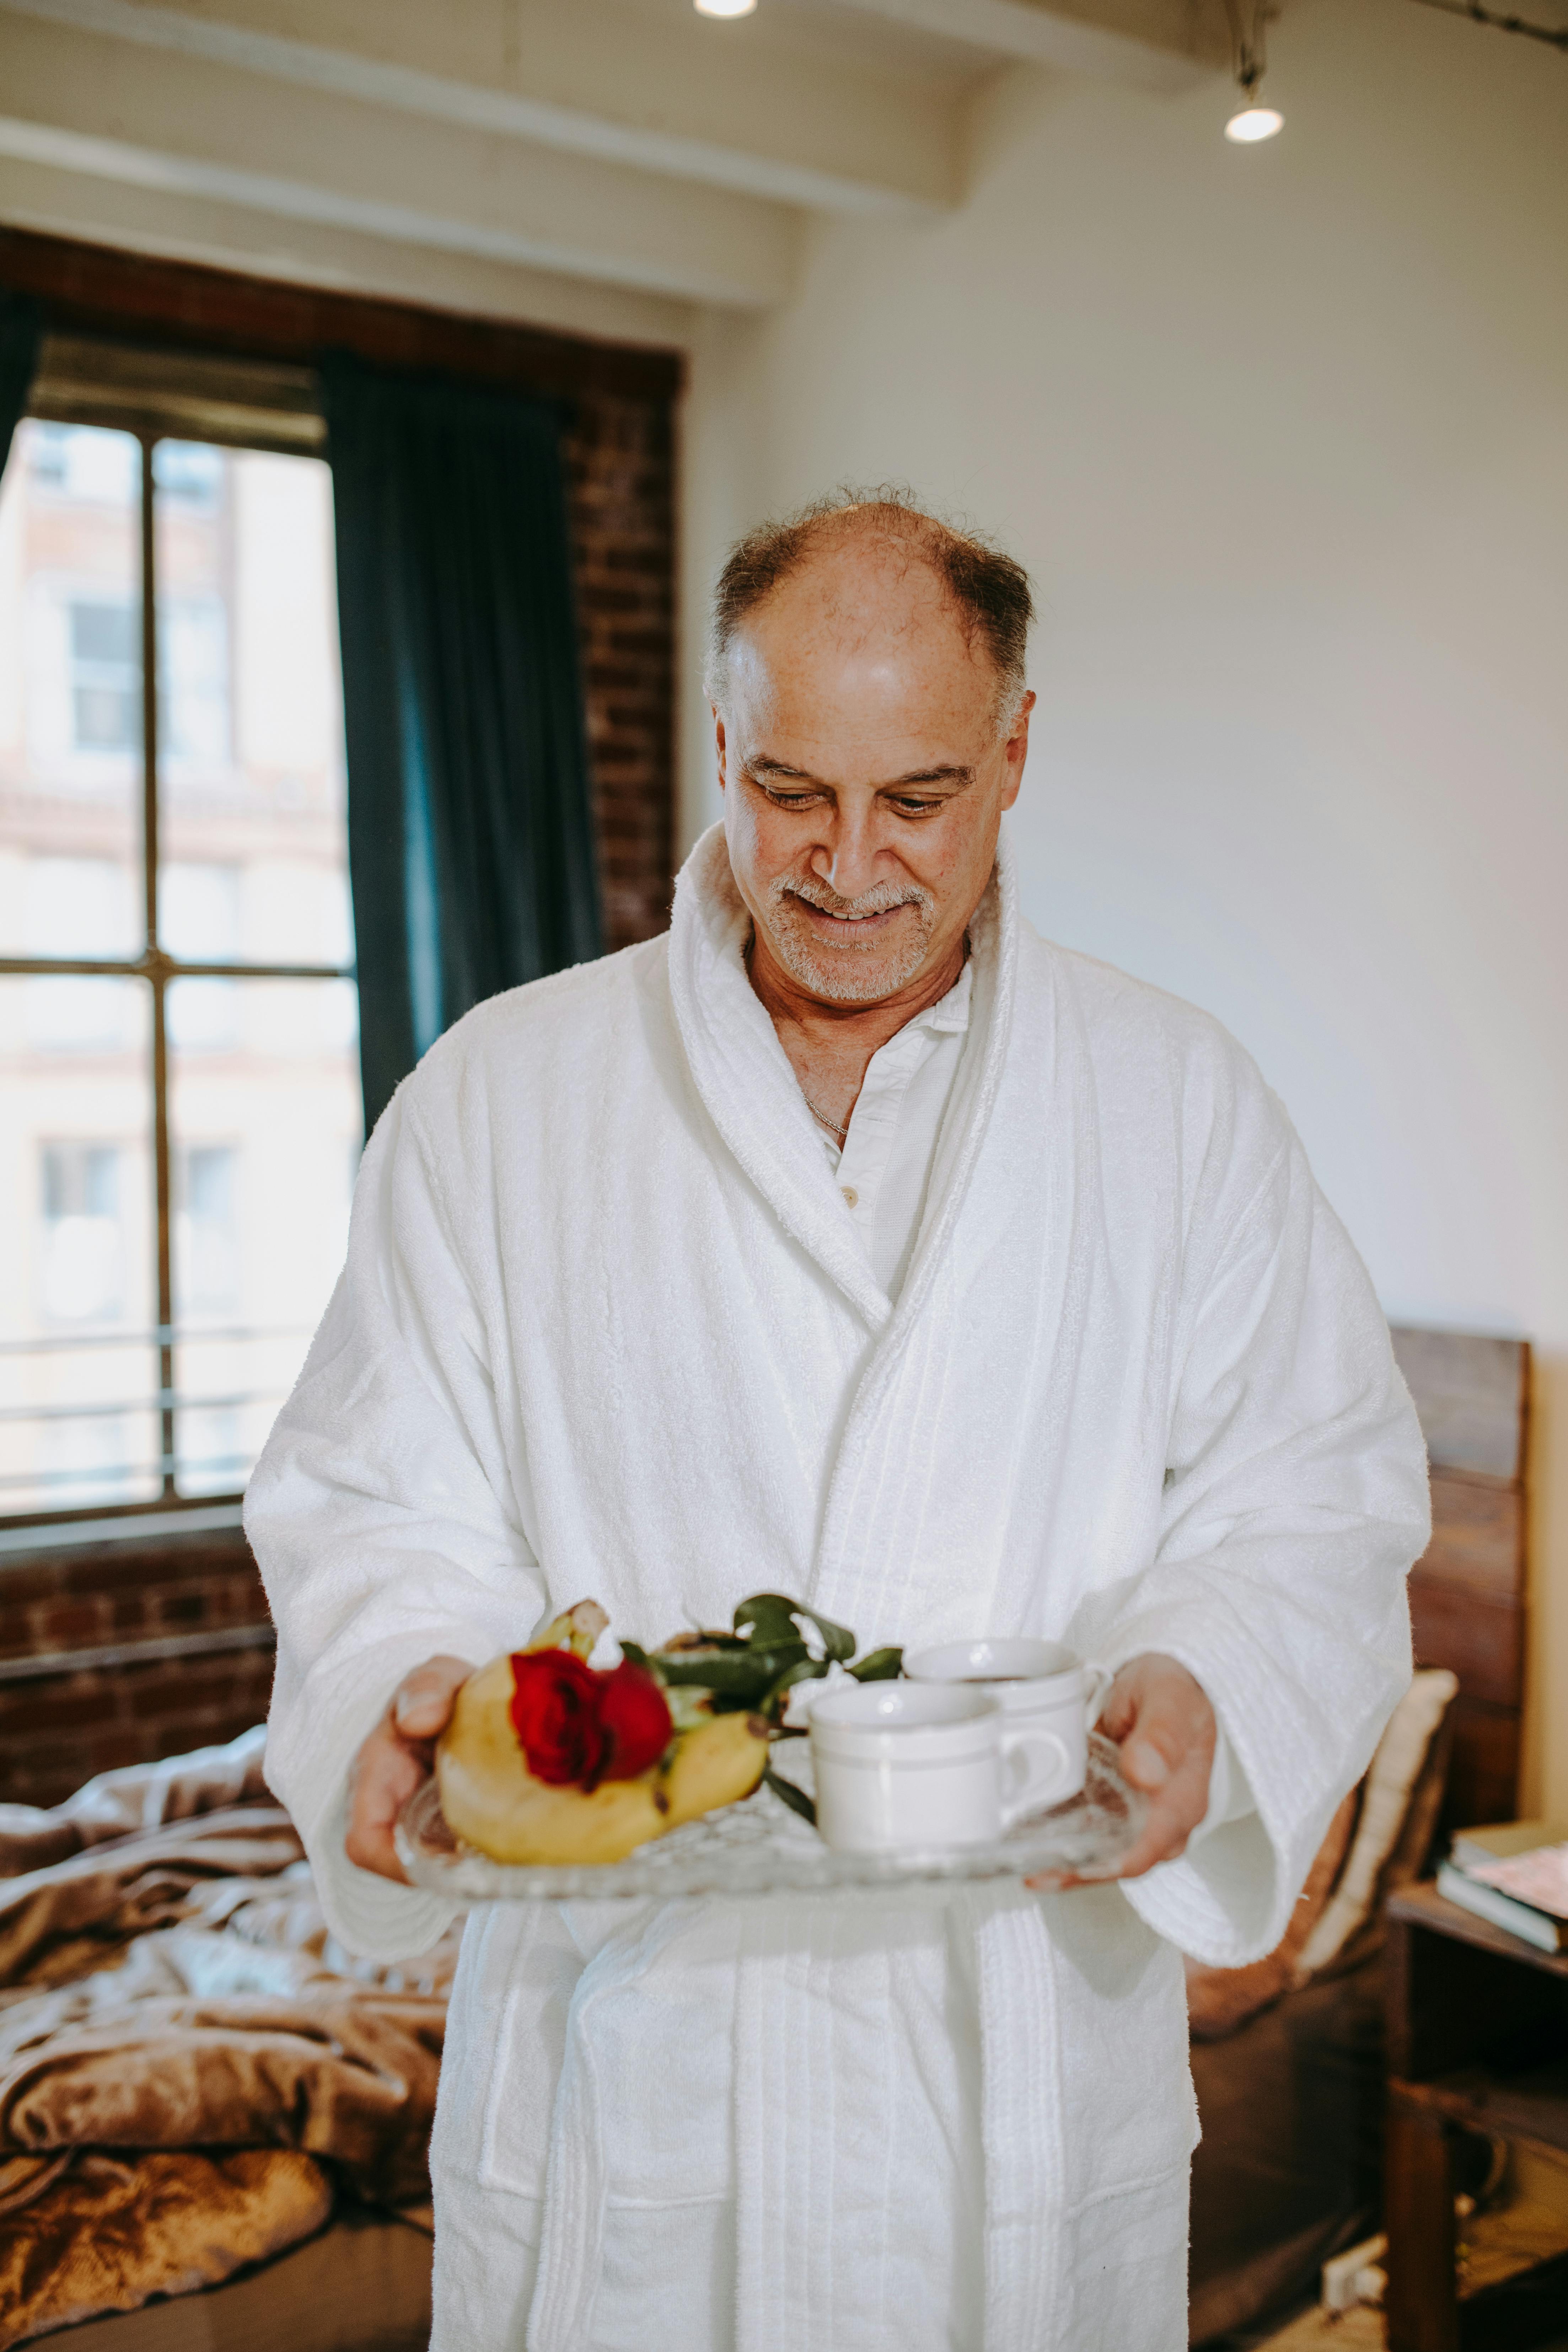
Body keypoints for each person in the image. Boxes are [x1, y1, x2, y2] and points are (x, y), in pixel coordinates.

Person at [249, 490, 1429, 2352]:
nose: (850, 863)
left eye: (921, 796)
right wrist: (408, 1669)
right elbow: (369, 1496)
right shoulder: (502, 1094)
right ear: (719, 740)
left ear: (1020, 751)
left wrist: (1213, 1671)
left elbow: (1318, 1488)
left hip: (1021, 2068)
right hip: (631, 2065)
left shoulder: (1177, 1104)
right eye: (792, 787)